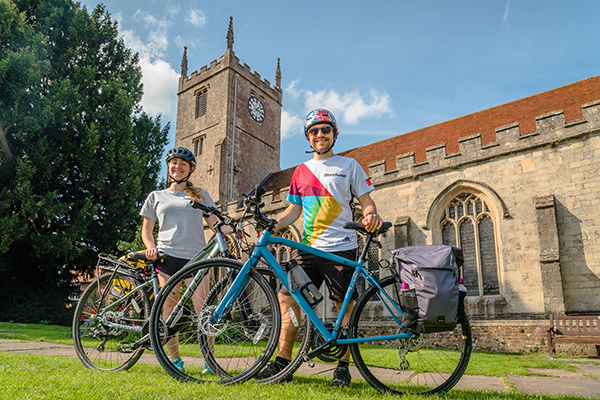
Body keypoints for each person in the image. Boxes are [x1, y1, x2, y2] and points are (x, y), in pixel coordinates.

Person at [255, 109, 383, 387]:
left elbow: (366, 201)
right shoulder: (300, 171)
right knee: (288, 300)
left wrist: (371, 214)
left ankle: (342, 367)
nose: (320, 135)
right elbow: (292, 211)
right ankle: (283, 364)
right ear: (308, 137)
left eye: (325, 130)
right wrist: (273, 225)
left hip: (341, 248)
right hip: (308, 249)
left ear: (334, 134)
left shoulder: (350, 165)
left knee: (344, 308)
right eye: (314, 131)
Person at [140, 146, 231, 375]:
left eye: (183, 164)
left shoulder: (200, 195)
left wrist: (234, 229)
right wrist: (150, 247)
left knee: (205, 310)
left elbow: (215, 223)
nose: (177, 167)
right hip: (167, 256)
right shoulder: (156, 196)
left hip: (197, 258)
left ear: (190, 169)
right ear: (169, 166)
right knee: (169, 307)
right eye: (174, 163)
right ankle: (175, 359)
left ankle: (209, 361)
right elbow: (147, 231)